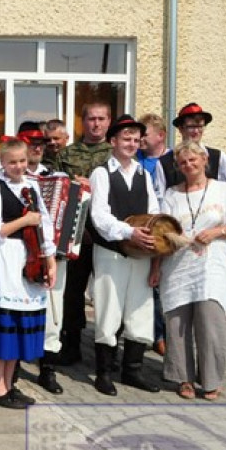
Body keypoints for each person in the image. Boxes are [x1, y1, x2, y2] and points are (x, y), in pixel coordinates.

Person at [0, 138, 57, 409]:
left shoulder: (32, 187)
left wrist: (50, 260)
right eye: (12, 162)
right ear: (2, 163)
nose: (18, 167)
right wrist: (23, 221)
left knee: (20, 325)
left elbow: (45, 227)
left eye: (23, 161)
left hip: (29, 258)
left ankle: (10, 384)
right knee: (4, 326)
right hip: (3, 260)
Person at [87, 114, 160, 396]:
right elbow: (100, 216)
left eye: (135, 139)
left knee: (140, 310)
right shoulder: (102, 173)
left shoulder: (144, 173)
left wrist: (151, 236)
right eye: (125, 138)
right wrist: (129, 233)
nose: (131, 143)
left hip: (140, 254)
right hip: (112, 253)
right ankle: (104, 372)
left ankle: (132, 371)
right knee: (109, 309)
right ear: (112, 141)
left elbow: (153, 212)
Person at [153, 140, 226, 401]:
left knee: (211, 323)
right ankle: (183, 378)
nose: (188, 165)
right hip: (177, 268)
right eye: (183, 162)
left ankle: (211, 380)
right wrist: (155, 268)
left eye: (193, 160)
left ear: (205, 160)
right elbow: (161, 233)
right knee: (178, 325)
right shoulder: (171, 195)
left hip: (212, 267)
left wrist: (218, 231)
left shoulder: (223, 190)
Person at [56, 102, 112, 366]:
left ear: (109, 121)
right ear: (83, 121)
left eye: (101, 119)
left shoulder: (117, 154)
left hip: (107, 236)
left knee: (107, 292)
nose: (96, 124)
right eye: (91, 119)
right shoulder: (67, 153)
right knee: (73, 292)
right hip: (76, 233)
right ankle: (72, 343)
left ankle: (108, 347)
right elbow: (57, 186)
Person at [17, 121, 65, 394]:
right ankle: (15, 361)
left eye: (40, 144)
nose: (37, 148)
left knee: (52, 311)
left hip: (52, 252)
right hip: (21, 250)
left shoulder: (57, 176)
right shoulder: (13, 175)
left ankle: (48, 369)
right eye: (31, 143)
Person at [137, 112, 170, 357]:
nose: (139, 140)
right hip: (138, 230)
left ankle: (162, 335)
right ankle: (148, 334)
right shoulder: (135, 160)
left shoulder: (174, 160)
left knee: (160, 284)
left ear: (161, 135)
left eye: (144, 135)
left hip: (163, 230)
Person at [156, 102, 226, 196]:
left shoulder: (218, 157)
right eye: (191, 127)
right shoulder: (164, 162)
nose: (196, 131)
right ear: (180, 128)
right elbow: (160, 198)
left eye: (200, 126)